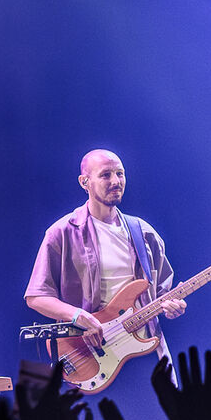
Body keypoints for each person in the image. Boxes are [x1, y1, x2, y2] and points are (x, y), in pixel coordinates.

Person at [24, 149, 184, 365]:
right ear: (84, 182)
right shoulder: (62, 232)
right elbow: (36, 296)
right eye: (106, 175)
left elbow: (164, 295)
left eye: (120, 173)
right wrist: (78, 316)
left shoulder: (144, 232)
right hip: (92, 356)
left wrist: (173, 307)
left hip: (146, 354)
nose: (116, 181)